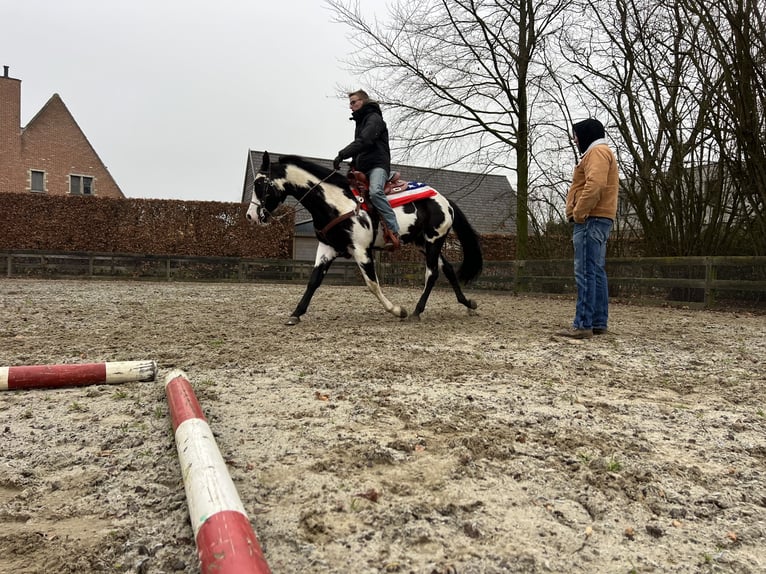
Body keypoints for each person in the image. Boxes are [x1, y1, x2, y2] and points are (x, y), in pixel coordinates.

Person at [557, 118, 619, 339]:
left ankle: (583, 324)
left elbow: (595, 184)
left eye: (576, 135)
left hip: (591, 219)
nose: (574, 140)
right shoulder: (603, 152)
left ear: (586, 135)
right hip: (601, 218)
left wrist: (579, 212)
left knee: (585, 271)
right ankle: (598, 322)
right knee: (596, 271)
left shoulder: (596, 153)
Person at [333, 90, 400, 250]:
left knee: (376, 192)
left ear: (363, 101)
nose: (351, 106)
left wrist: (342, 155)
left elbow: (365, 141)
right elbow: (360, 149)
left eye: (354, 102)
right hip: (363, 168)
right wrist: (352, 164)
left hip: (377, 166)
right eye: (350, 103)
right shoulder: (361, 122)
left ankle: (394, 229)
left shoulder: (374, 119)